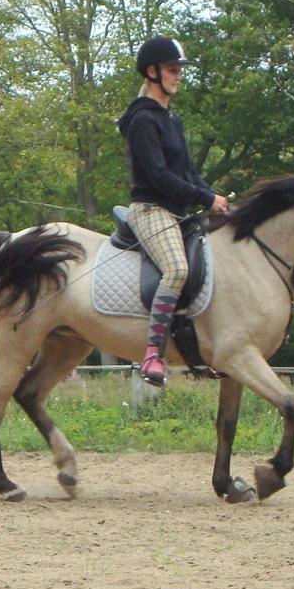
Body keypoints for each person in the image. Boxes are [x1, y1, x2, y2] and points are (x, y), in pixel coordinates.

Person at [116, 36, 229, 386]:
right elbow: (159, 176)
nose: (178, 76)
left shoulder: (171, 119)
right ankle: (152, 354)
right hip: (151, 210)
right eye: (172, 69)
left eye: (179, 69)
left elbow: (188, 172)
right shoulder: (142, 121)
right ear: (152, 72)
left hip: (178, 211)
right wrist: (202, 197)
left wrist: (213, 197)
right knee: (177, 269)